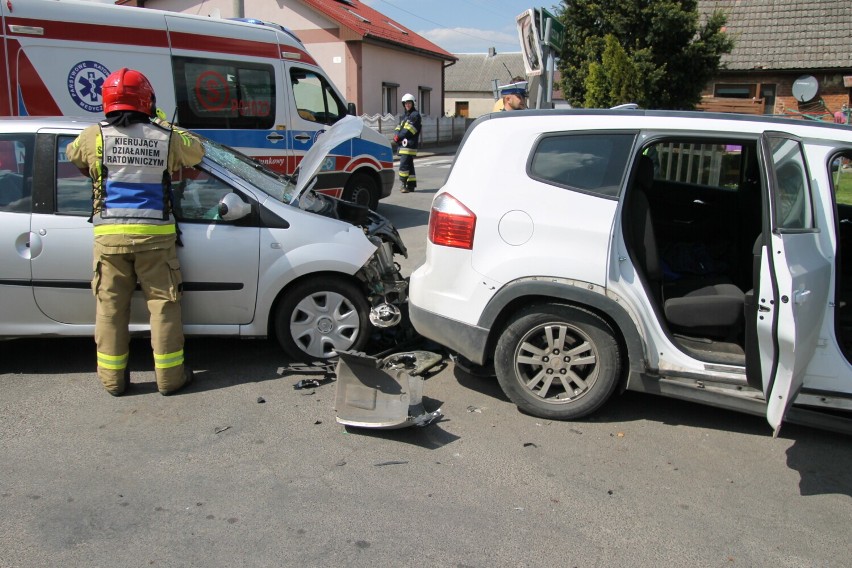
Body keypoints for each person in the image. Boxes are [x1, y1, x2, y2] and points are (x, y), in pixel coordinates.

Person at [66, 68, 204, 397]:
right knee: (163, 306)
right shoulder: (164, 135)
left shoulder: (92, 135)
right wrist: (161, 123)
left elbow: (74, 157)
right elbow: (196, 150)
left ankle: (113, 382)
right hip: (155, 238)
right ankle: (170, 379)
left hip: (109, 239)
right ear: (148, 102)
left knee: (111, 311)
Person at [393, 93, 421, 193]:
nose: (407, 105)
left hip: (409, 145)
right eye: (405, 103)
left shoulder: (415, 115)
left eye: (409, 103)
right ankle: (411, 185)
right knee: (409, 164)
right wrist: (396, 135)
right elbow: (398, 127)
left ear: (413, 103)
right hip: (404, 144)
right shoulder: (404, 116)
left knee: (403, 165)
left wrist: (399, 136)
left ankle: (403, 185)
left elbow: (409, 130)